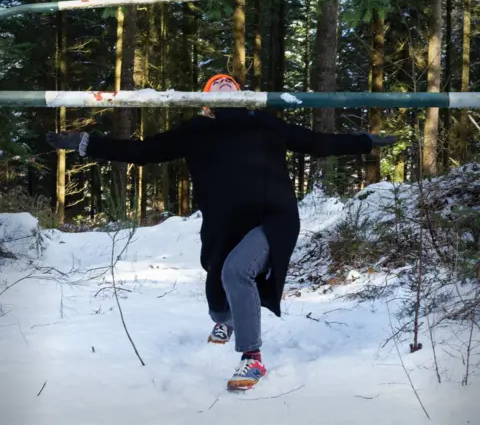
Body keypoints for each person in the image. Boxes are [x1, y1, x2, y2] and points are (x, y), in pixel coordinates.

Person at [46, 74, 396, 391]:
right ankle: (225, 320)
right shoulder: (195, 132)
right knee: (217, 284)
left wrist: (365, 141)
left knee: (235, 271)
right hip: (224, 225)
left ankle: (252, 358)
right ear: (205, 101)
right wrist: (85, 142)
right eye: (216, 84)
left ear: (243, 95)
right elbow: (141, 151)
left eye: (230, 82)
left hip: (274, 218)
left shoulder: (265, 123)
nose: (224, 84)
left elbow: (318, 143)